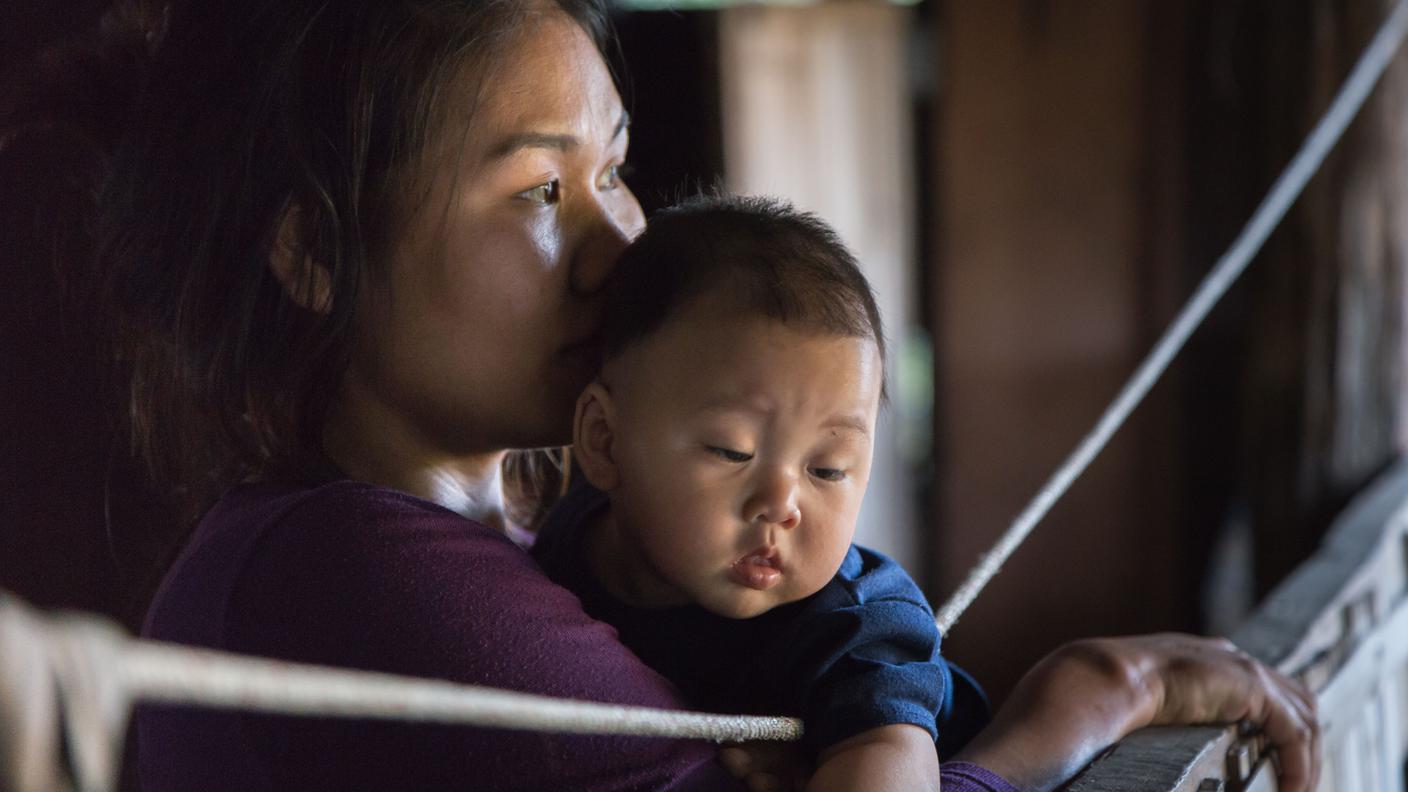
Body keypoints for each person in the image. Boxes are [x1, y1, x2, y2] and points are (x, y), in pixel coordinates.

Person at [89, 0, 1320, 790]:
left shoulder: (521, 544)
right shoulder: (357, 580)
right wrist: (1096, 700)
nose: (623, 247)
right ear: (313, 252)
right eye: (537, 193)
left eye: (614, 170)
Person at [532, 194, 989, 792]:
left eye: (827, 469)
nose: (780, 503)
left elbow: (890, 754)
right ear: (605, 442)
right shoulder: (563, 544)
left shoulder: (857, 629)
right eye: (732, 452)